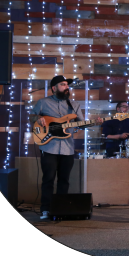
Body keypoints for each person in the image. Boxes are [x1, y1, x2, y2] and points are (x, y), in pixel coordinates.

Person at [30, 75, 102, 219]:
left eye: (67, 85)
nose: (66, 87)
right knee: (48, 179)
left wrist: (94, 122)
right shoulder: (43, 102)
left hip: (68, 148)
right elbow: (32, 116)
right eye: (63, 84)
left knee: (64, 180)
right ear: (54, 88)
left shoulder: (73, 105)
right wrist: (38, 118)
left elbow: (81, 123)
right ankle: (45, 209)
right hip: (48, 146)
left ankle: (59, 210)